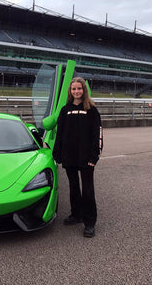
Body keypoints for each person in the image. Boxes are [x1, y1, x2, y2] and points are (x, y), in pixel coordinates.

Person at [53, 77, 103, 238]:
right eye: (74, 89)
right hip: (70, 157)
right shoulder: (65, 110)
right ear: (70, 91)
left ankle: (89, 223)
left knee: (88, 190)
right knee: (74, 188)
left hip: (86, 158)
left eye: (79, 89)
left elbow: (98, 135)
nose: (76, 91)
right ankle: (76, 215)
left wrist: (94, 157)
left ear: (84, 90)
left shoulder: (92, 110)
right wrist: (57, 154)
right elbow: (59, 134)